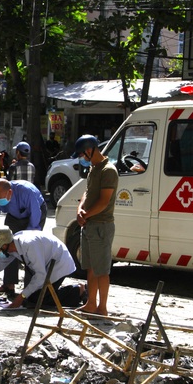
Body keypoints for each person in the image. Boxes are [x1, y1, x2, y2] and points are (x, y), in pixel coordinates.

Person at [0, 226, 85, 309]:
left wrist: (20, 297)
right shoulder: (12, 245)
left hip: (59, 264)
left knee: (39, 300)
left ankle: (78, 290)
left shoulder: (29, 246)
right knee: (30, 298)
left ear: (4, 244)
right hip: (45, 266)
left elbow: (40, 275)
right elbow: (1, 263)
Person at [0, 178, 47, 294]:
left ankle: (30, 290)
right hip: (13, 217)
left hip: (35, 213)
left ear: (10, 192)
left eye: (1, 198)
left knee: (28, 250)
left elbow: (35, 219)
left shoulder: (27, 192)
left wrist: (26, 239)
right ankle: (9, 284)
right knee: (6, 247)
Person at [73, 134, 118, 316]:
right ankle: (91, 304)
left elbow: (104, 201)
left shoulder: (108, 170)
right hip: (89, 225)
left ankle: (102, 307)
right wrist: (80, 210)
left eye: (83, 154)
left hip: (101, 226)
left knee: (102, 270)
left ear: (90, 150)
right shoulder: (94, 168)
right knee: (90, 268)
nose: (82, 158)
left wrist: (87, 215)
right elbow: (87, 192)